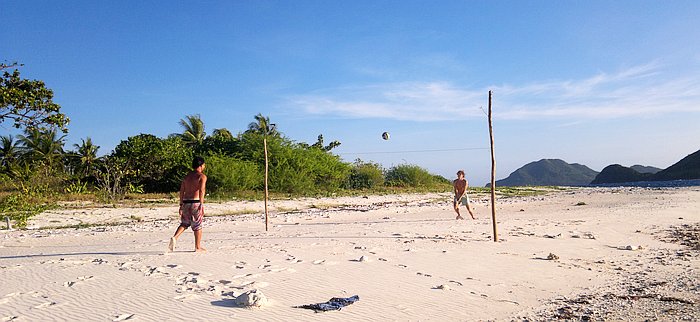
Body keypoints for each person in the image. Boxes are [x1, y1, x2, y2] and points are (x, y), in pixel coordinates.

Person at [169, 156, 208, 252]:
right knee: (197, 224)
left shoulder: (186, 177)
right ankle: (197, 247)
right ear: (201, 165)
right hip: (195, 202)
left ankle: (175, 237)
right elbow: (202, 190)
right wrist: (201, 204)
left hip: (186, 202)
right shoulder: (202, 176)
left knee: (185, 223)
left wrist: (181, 204)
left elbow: (182, 191)